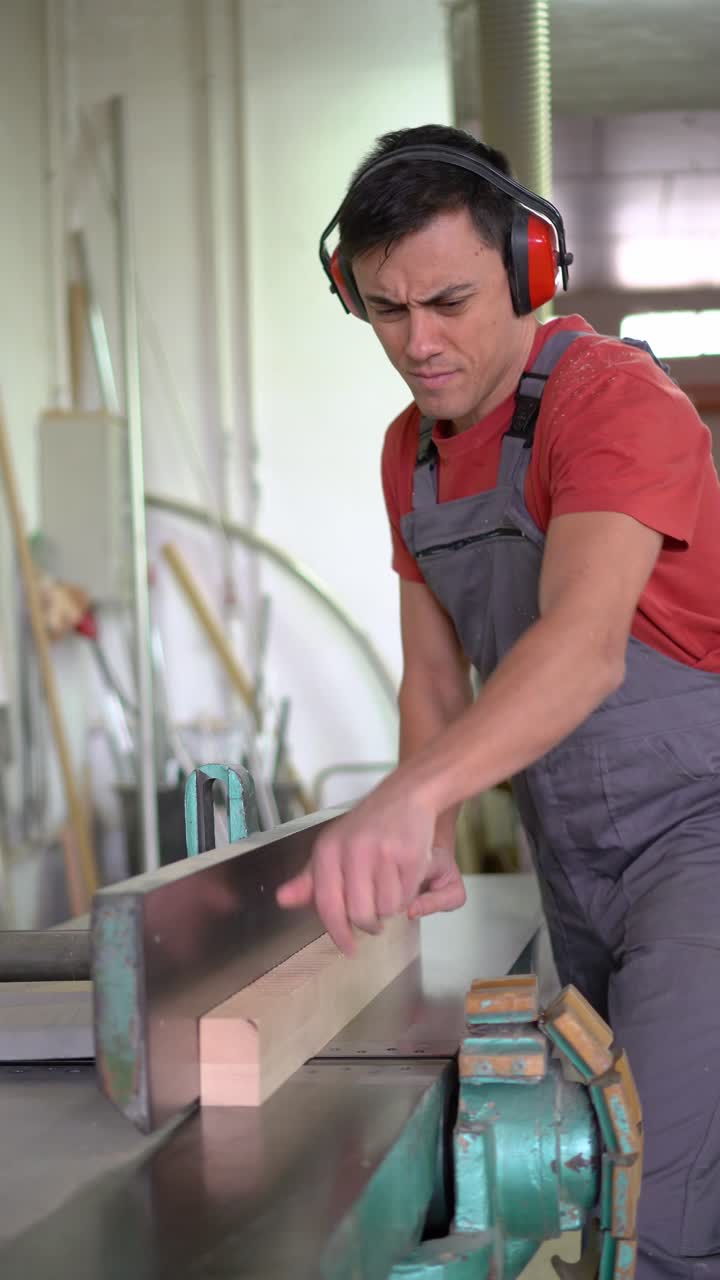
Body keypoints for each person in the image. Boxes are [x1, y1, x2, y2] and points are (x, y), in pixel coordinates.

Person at [277, 123, 720, 1280]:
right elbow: (435, 677)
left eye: (449, 302)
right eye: (385, 309)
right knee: (607, 1181)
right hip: (573, 860)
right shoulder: (410, 454)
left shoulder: (613, 400)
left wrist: (404, 796)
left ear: (528, 271)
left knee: (659, 1219)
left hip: (703, 835)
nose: (418, 343)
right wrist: (424, 827)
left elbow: (584, 646)